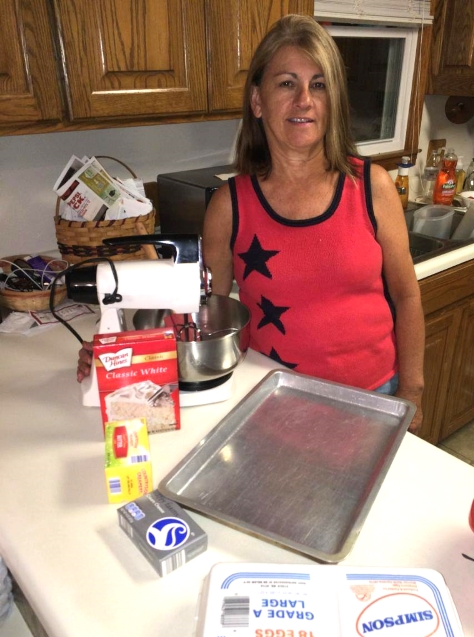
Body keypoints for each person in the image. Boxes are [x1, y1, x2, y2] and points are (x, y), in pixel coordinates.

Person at [78, 14, 424, 433]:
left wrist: (412, 392)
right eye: (286, 83)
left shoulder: (373, 188)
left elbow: (406, 296)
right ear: (258, 101)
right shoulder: (230, 206)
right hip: (274, 399)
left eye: (319, 84)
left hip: (375, 398)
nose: (304, 100)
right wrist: (120, 352)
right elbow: (199, 313)